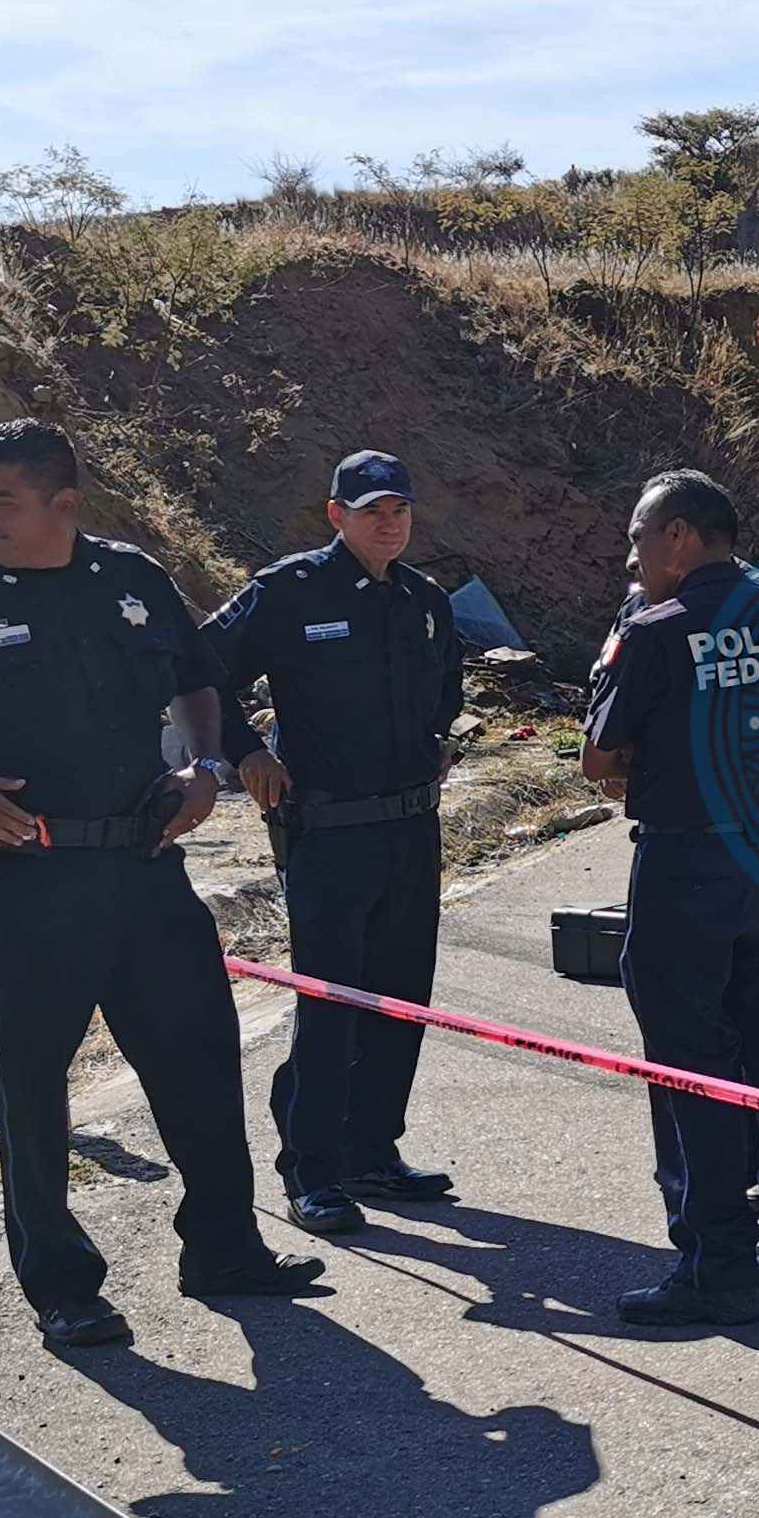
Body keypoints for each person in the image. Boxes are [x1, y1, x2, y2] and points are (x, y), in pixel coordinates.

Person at [0, 420, 320, 1348]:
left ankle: (223, 1249)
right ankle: (64, 1285)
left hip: (144, 865)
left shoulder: (132, 580)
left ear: (64, 503)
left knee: (199, 1055)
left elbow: (198, 677)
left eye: (2, 500)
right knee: (32, 1084)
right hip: (27, 874)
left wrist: (204, 769)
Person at [580, 470, 759, 1327]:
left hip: (687, 871)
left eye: (638, 540)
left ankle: (718, 1264)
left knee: (690, 1067)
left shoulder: (659, 630)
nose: (631, 559)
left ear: (679, 537)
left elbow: (597, 755)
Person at [201, 451, 463, 1238]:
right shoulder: (287, 592)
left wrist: (440, 742)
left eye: (400, 509)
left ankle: (371, 1150)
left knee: (400, 996)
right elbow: (195, 669)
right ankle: (310, 1170)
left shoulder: (425, 600)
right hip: (327, 832)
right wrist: (244, 750)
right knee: (331, 1002)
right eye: (373, 509)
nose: (390, 522)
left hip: (411, 827)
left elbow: (446, 692)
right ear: (336, 515)